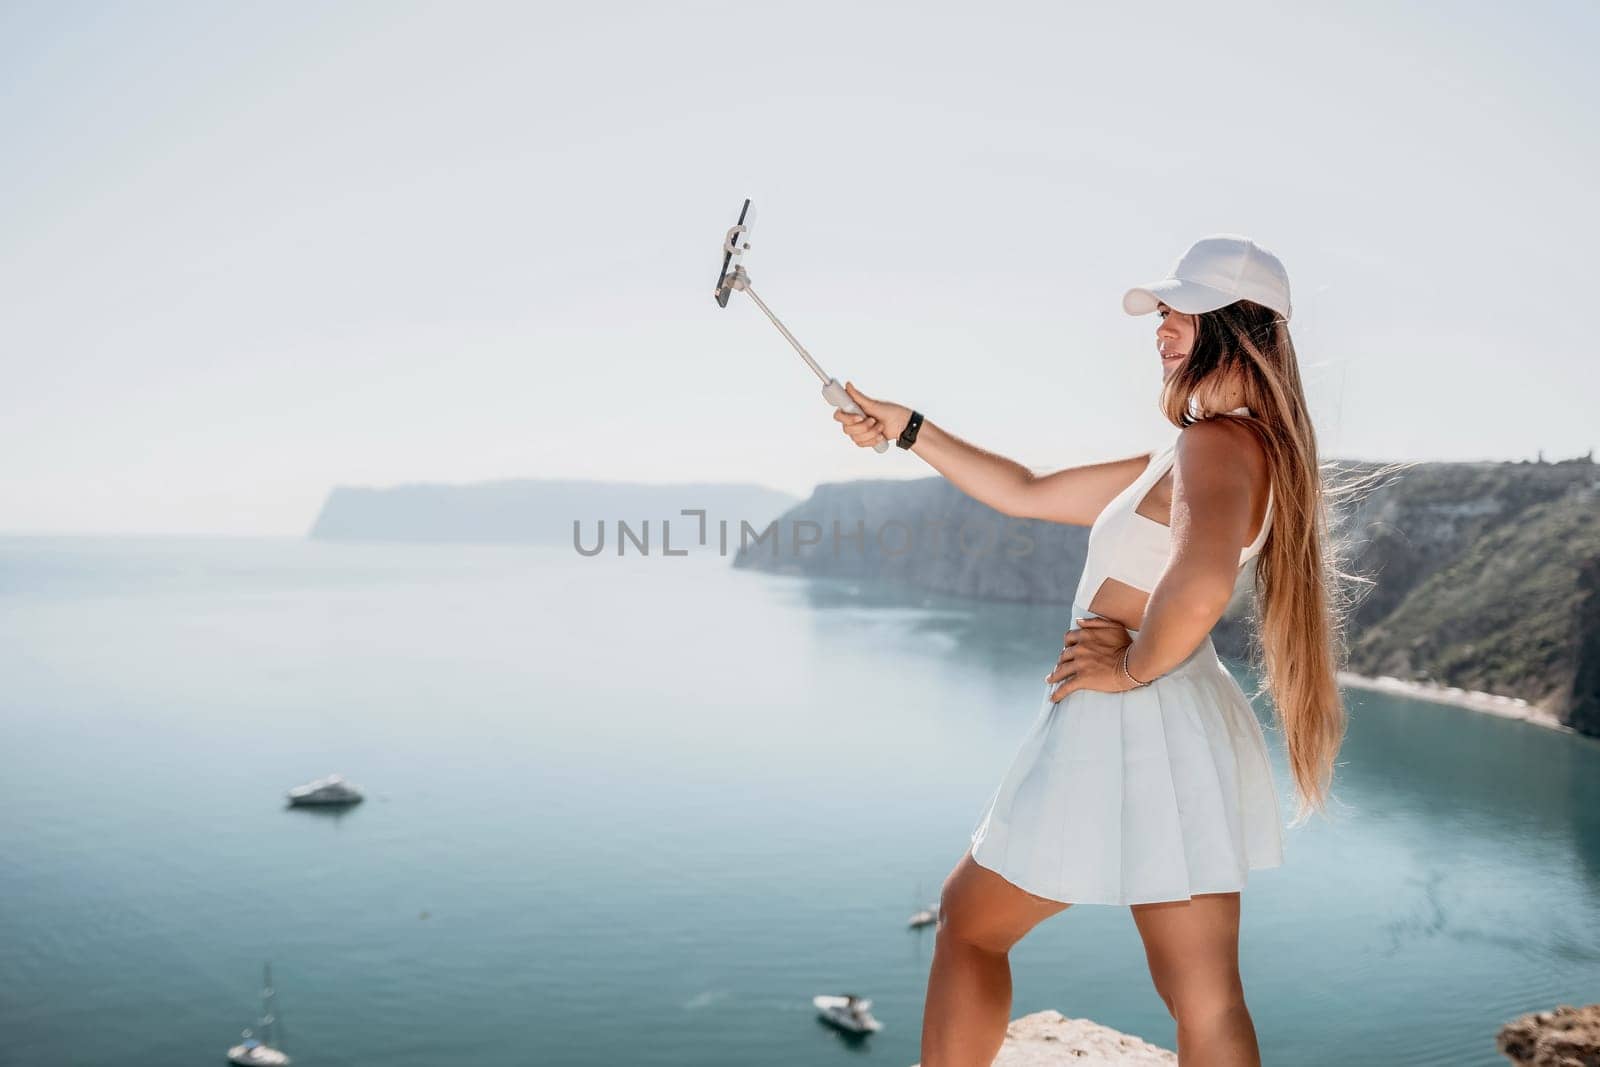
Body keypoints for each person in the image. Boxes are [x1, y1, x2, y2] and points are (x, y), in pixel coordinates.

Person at [834, 234, 1363, 1066]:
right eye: (1161, 313)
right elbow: (1028, 491)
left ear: (1237, 323)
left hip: (1127, 716)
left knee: (967, 926)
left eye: (1179, 312)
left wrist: (1128, 666)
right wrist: (910, 430)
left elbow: (1196, 585)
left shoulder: (1213, 444)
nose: (1160, 329)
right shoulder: (1231, 444)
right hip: (1183, 722)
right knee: (1207, 996)